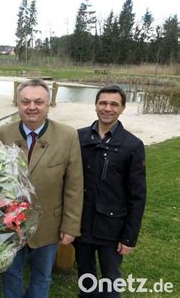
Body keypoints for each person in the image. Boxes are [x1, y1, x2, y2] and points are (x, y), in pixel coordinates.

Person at [0, 78, 84, 298]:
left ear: (49, 104)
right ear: (17, 103)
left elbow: (74, 185)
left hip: (48, 224)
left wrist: (71, 226)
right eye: (25, 101)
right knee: (10, 274)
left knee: (42, 277)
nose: (32, 107)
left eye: (38, 101)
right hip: (10, 226)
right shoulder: (2, 135)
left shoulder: (68, 136)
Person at [75, 85, 146, 297]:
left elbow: (138, 196)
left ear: (123, 108)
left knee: (110, 280)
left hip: (112, 228)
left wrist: (129, 238)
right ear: (95, 105)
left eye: (114, 104)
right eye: (103, 103)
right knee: (85, 276)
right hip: (82, 224)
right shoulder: (78, 138)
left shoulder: (132, 145)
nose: (108, 108)